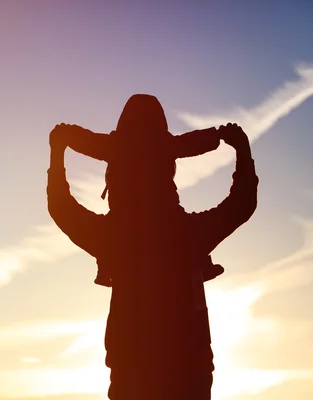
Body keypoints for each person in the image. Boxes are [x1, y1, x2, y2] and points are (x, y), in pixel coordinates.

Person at [46, 95, 259, 399]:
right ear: (168, 168)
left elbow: (61, 207)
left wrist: (57, 153)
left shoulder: (113, 236)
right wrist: (241, 150)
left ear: (115, 172)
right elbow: (241, 204)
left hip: (132, 378)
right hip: (189, 378)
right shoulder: (187, 234)